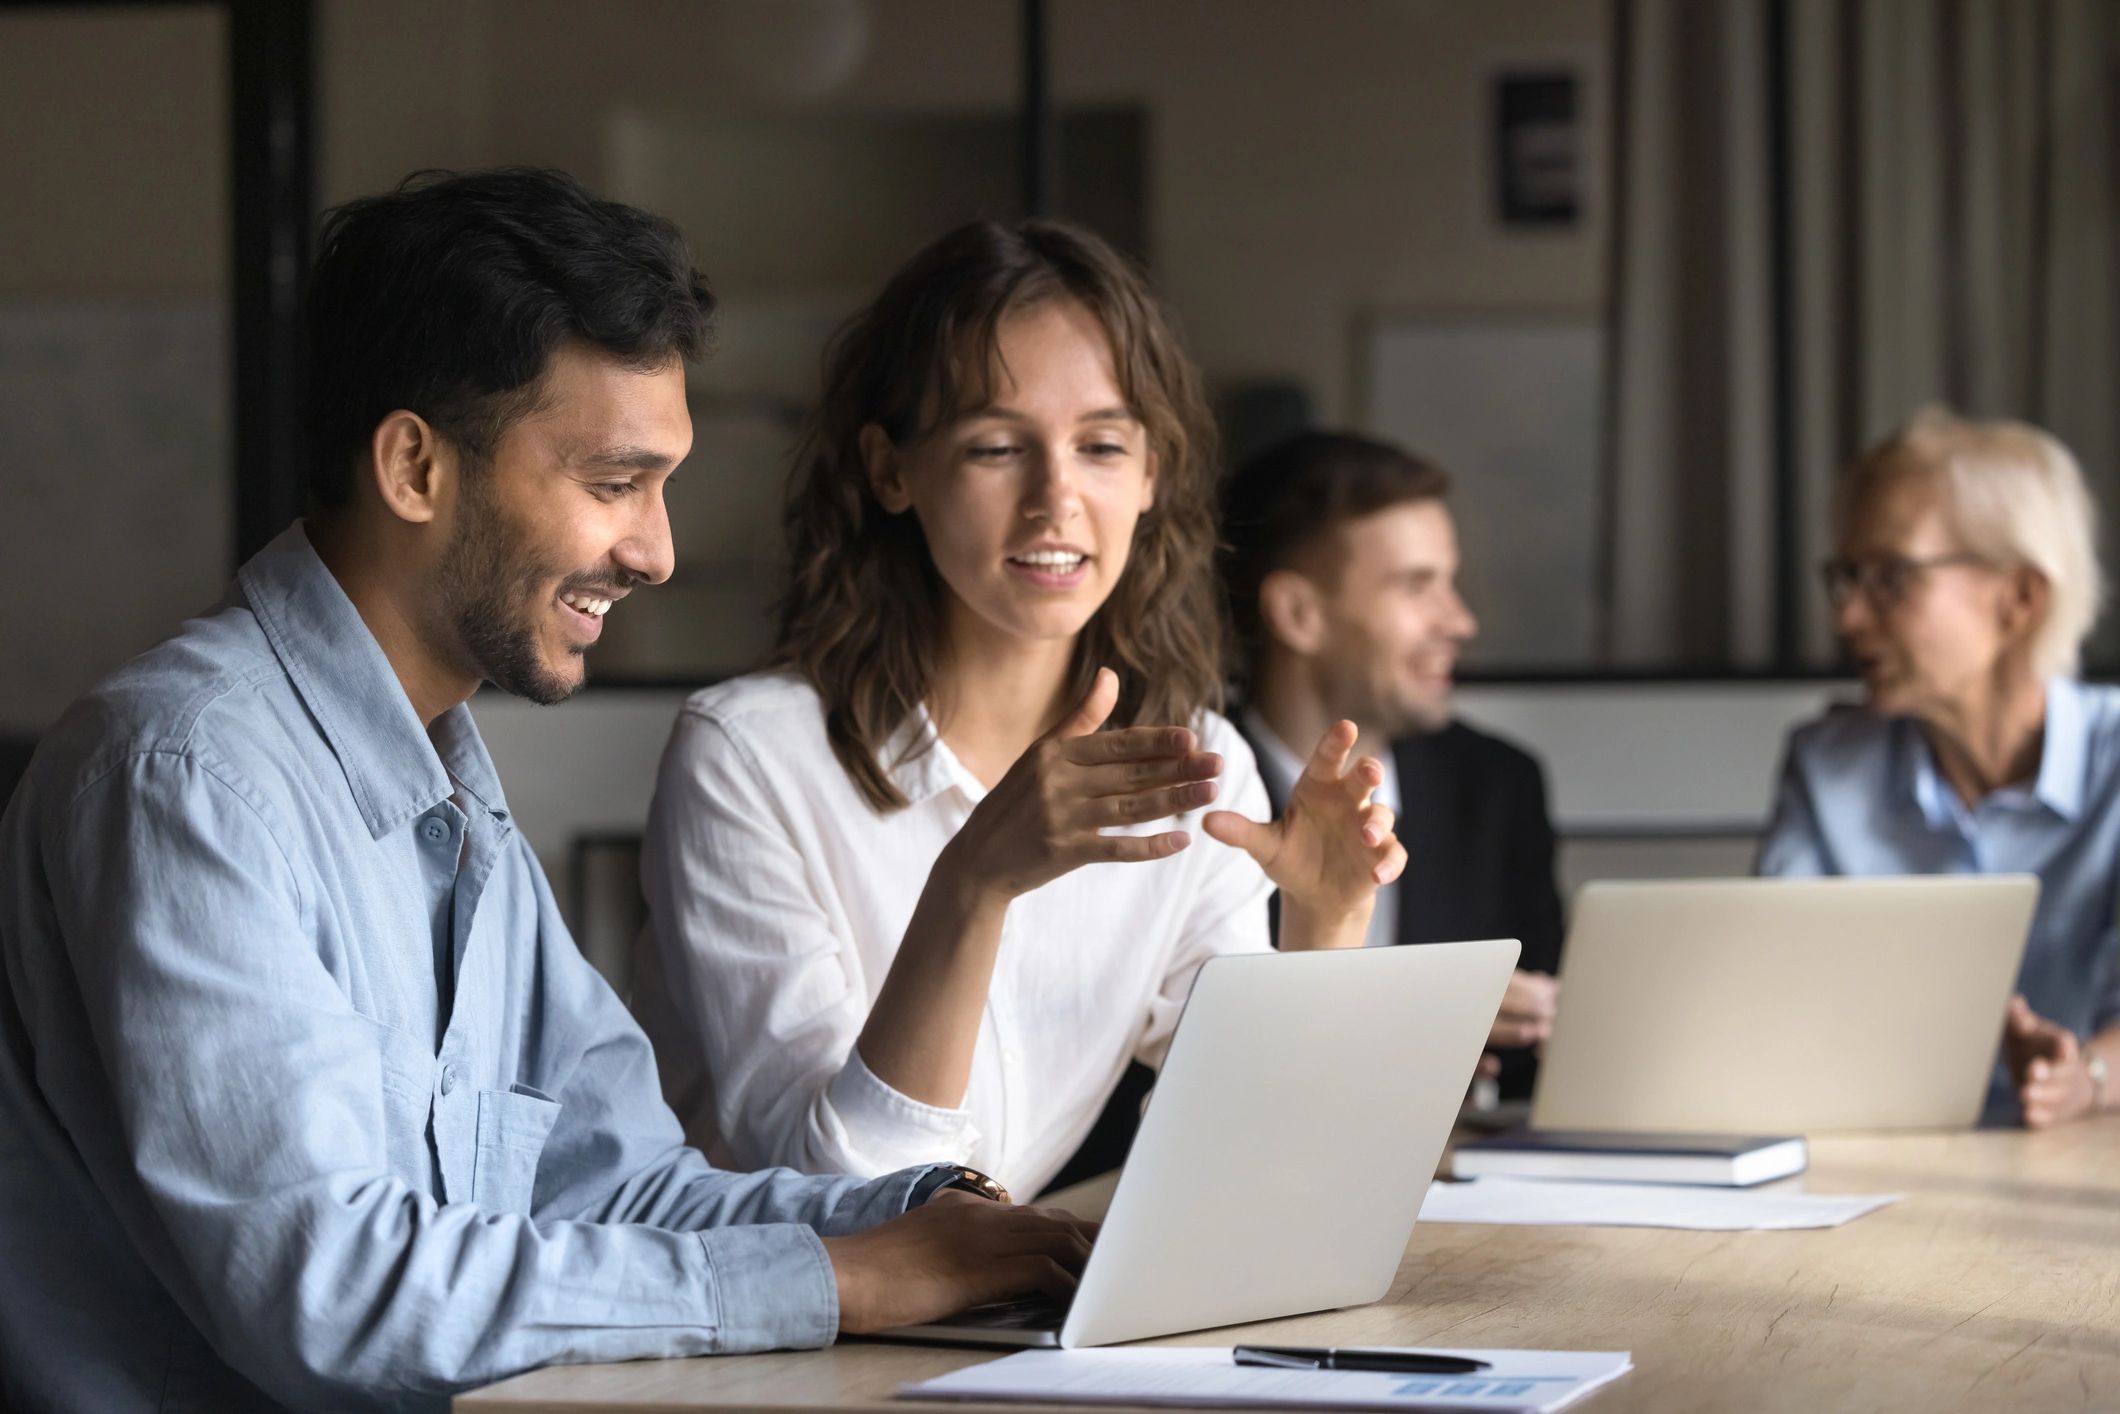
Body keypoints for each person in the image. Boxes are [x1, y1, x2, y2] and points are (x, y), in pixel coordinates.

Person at [0, 169, 1093, 1414]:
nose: (657, 550)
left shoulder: (449, 788)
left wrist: (935, 1228)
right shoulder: (182, 778)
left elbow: (618, 1184)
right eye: (613, 483)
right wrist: (840, 1279)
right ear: (415, 466)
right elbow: (336, 1291)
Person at [634, 219, 1403, 1199]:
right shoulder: (745, 757)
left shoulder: (1193, 763)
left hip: (987, 1328)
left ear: (1150, 474)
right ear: (890, 470)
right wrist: (975, 883)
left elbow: (1269, 1166)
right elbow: (835, 1198)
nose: (1057, 499)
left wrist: (1324, 921)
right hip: (761, 1328)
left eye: (1101, 445)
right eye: (997, 446)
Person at [1757, 407, 2120, 1128]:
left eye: (1891, 578)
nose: (1848, 618)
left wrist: (2087, 1076)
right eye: (1846, 577)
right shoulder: (1826, 767)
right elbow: (1774, 990)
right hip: (1880, 1154)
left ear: (2019, 598)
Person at [1221, 430, 1565, 1097]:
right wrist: (1419, 1026)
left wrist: (1532, 1022)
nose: (1459, 621)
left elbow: (1539, 1069)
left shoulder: (1497, 786)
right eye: (1417, 586)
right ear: (1298, 613)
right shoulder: (1188, 800)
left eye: (1450, 582)